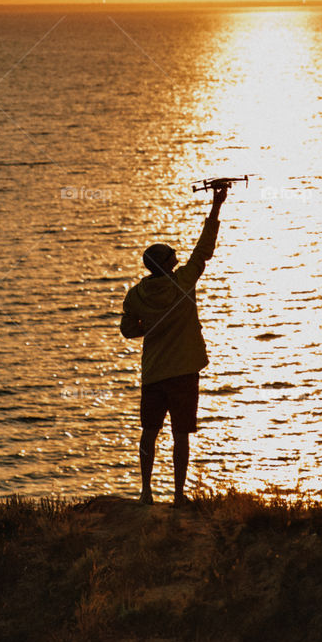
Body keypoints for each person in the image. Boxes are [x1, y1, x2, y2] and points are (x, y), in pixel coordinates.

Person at [120, 183, 228, 506]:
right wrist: (216, 206)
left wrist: (147, 328)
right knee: (181, 436)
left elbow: (127, 329)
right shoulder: (184, 281)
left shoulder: (137, 295)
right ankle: (179, 496)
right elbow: (204, 249)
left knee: (148, 433)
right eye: (173, 258)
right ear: (168, 266)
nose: (178, 260)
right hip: (183, 373)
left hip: (154, 374)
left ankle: (146, 492)